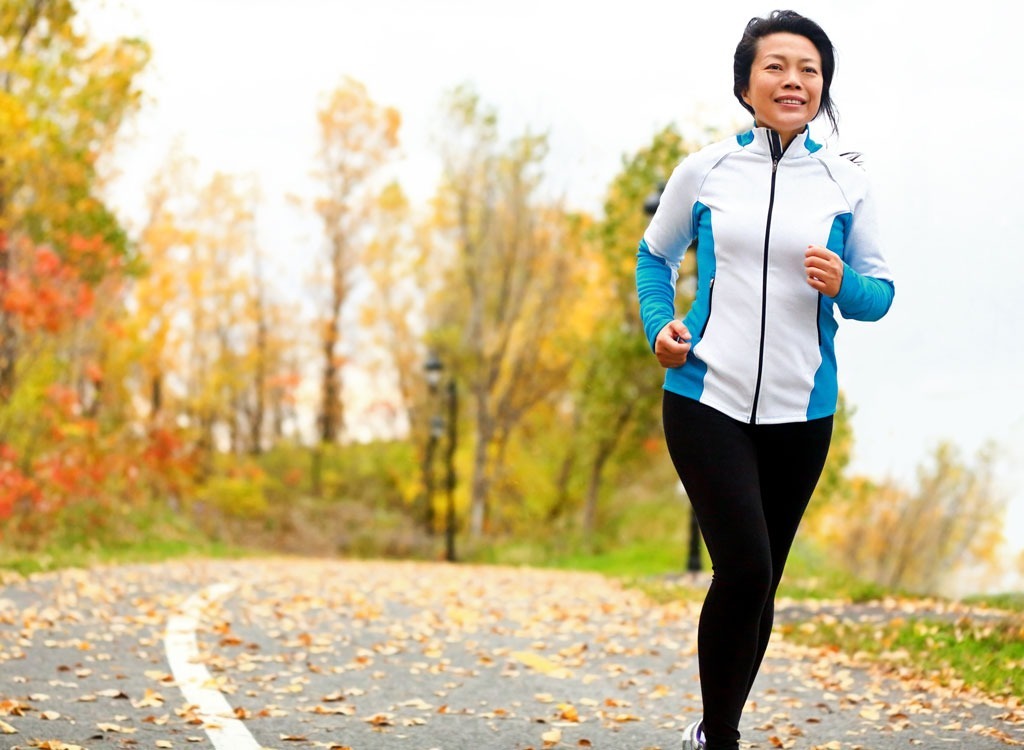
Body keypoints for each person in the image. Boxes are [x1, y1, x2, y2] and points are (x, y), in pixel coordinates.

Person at [634, 10, 894, 750]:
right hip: (703, 396)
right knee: (744, 565)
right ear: (747, 83)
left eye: (808, 69)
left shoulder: (847, 184)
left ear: (823, 87)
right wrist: (661, 326)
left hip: (801, 411)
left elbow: (879, 294)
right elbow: (656, 258)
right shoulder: (707, 169)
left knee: (762, 580)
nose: (793, 80)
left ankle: (717, 727)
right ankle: (719, 739)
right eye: (776, 66)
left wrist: (844, 284)